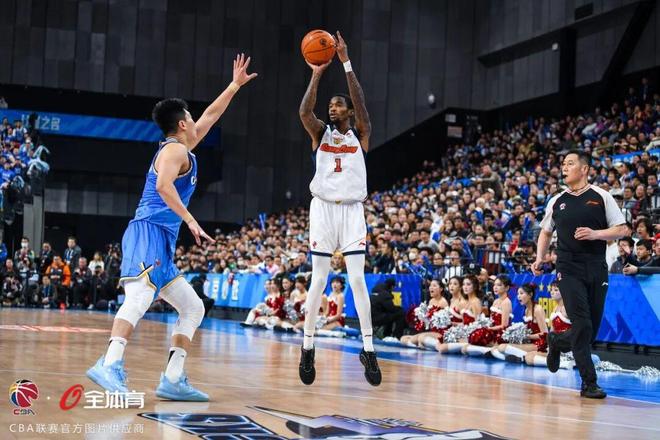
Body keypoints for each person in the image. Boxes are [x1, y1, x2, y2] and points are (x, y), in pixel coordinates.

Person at [86, 53, 257, 401]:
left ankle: (173, 379)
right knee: (139, 296)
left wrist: (234, 86)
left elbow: (210, 115)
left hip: (162, 239)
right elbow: (164, 187)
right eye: (190, 116)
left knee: (193, 308)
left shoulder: (184, 148)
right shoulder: (173, 152)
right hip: (147, 230)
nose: (196, 119)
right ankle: (109, 363)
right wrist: (191, 219)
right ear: (181, 124)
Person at [297, 31, 380, 386]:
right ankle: (308, 346)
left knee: (357, 279)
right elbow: (305, 111)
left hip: (351, 212)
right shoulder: (321, 134)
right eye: (330, 105)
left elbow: (360, 102)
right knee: (318, 279)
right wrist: (317, 73)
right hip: (323, 211)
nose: (332, 108)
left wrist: (345, 62)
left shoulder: (360, 133)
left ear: (349, 112)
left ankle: (368, 349)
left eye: (337, 105)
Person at [532, 150, 628, 399]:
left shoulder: (602, 196)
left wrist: (596, 234)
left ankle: (557, 341)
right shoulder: (557, 201)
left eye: (570, 163)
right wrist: (540, 257)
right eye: (563, 164)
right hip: (568, 268)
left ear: (584, 169)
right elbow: (545, 232)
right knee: (582, 324)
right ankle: (589, 383)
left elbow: (622, 229)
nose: (564, 167)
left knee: (590, 331)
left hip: (596, 266)